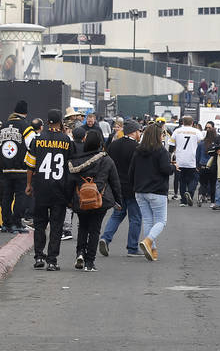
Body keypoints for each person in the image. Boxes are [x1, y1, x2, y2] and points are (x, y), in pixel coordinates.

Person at [25, 109, 74, 271]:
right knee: (56, 225)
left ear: (47, 122)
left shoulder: (37, 140)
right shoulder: (66, 140)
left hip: (41, 187)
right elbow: (70, 167)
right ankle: (52, 260)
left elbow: (30, 166)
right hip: (59, 189)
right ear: (60, 122)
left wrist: (29, 185)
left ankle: (39, 255)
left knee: (39, 223)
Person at [68, 130, 122, 272]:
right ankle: (89, 263)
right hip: (100, 199)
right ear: (100, 143)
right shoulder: (106, 160)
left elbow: (70, 182)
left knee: (82, 226)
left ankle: (80, 253)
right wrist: (119, 201)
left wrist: (68, 200)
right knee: (95, 230)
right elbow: (115, 183)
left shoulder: (75, 161)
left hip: (81, 199)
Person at [130, 123, 174, 261]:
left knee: (148, 220)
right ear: (158, 136)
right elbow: (166, 169)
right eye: (162, 134)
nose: (163, 137)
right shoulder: (162, 151)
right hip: (157, 190)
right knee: (161, 221)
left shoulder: (138, 150)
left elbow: (131, 171)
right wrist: (174, 167)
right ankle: (149, 241)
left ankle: (152, 249)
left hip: (140, 191)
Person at [99, 120, 143, 257]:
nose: (140, 133)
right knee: (135, 218)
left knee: (117, 215)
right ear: (134, 132)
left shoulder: (114, 145)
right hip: (132, 187)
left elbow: (107, 164)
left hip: (116, 187)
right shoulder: (137, 148)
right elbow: (138, 169)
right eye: (139, 131)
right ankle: (132, 247)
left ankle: (105, 238)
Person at [0, 99, 33, 233]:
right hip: (20, 168)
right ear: (25, 113)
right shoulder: (26, 127)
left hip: (5, 168)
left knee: (6, 196)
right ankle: (16, 222)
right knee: (21, 195)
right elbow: (32, 146)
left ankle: (6, 223)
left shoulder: (3, 127)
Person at [170, 116, 204, 206]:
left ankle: (183, 201)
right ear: (192, 123)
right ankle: (190, 193)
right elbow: (202, 145)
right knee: (193, 179)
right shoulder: (197, 132)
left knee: (182, 180)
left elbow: (171, 145)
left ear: (182, 122)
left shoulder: (177, 131)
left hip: (180, 159)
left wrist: (171, 156)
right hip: (193, 159)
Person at [197, 126, 218, 206]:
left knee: (203, 184)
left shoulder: (201, 144)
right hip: (213, 166)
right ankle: (212, 202)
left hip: (203, 165)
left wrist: (197, 165)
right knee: (213, 185)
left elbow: (197, 156)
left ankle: (200, 196)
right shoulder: (216, 145)